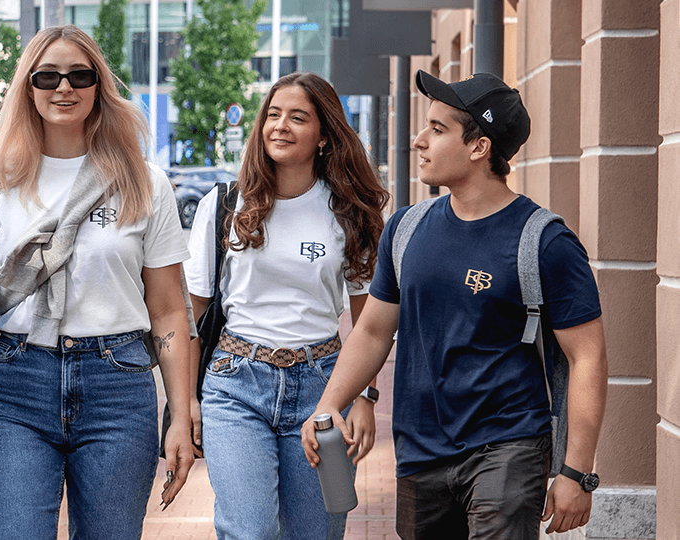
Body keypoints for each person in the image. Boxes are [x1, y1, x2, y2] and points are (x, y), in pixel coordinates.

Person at [0, 25, 195, 539]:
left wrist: (180, 413)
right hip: (17, 386)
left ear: (99, 86)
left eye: (80, 76)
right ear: (29, 86)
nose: (64, 88)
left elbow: (169, 309)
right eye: (48, 76)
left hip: (118, 385)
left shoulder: (145, 182)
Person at [302, 70, 609, 540]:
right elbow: (373, 331)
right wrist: (329, 406)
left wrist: (576, 472)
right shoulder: (406, 229)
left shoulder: (545, 242)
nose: (419, 141)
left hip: (508, 447)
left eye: (437, 129)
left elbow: (588, 356)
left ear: (479, 147)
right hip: (419, 450)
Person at [184, 72, 389, 539]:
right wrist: (187, 402)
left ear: (324, 135)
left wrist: (364, 397)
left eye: (298, 117)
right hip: (235, 384)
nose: (280, 126)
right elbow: (194, 316)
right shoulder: (224, 204)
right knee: (248, 531)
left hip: (325, 388)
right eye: (273, 115)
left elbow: (368, 324)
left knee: (319, 531)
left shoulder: (350, 213)